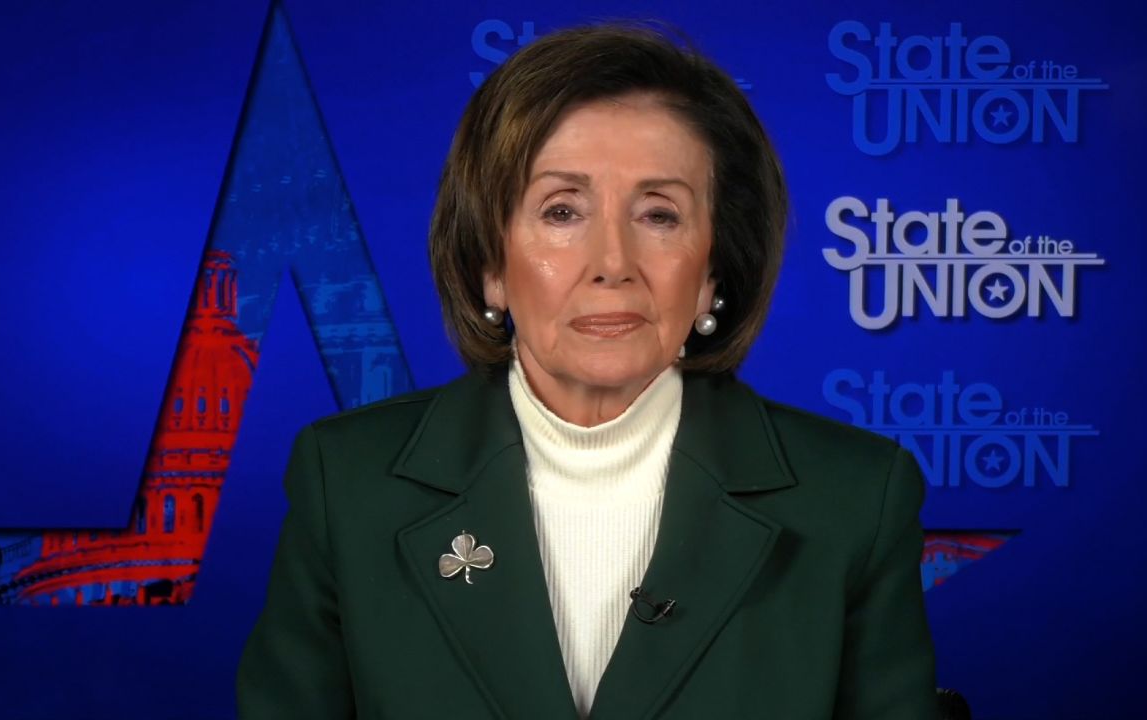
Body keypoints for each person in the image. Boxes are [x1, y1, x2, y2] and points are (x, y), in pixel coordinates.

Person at [237, 22, 937, 720]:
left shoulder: (853, 501)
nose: (612, 262)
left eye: (659, 215)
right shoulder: (348, 484)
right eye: (562, 210)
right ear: (490, 265)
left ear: (711, 273)